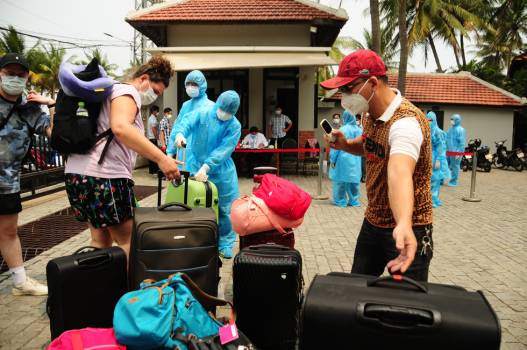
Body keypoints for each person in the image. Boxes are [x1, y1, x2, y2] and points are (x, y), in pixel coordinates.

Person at [321, 49, 433, 281]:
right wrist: (345, 144)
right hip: (373, 222)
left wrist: (403, 222)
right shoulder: (370, 115)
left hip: (408, 229)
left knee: (405, 303)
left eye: (348, 89)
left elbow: (399, 172)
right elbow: (370, 145)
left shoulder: (406, 123)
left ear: (372, 83)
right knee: (356, 289)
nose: (343, 96)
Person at [64, 56, 181, 259]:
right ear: (144, 78)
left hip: (78, 175)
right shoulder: (127, 91)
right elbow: (121, 128)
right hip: (105, 178)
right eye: (156, 91)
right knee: (130, 242)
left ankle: (101, 289)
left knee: (100, 242)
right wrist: (161, 159)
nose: (154, 96)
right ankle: (128, 291)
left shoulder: (108, 92)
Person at [0, 52, 56, 295]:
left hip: (7, 181)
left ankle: (20, 282)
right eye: (9, 74)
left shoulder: (29, 109)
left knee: (8, 231)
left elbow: (55, 135)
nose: (14, 78)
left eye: (20, 75)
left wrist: (51, 104)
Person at [171, 90, 241, 259]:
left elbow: (225, 149)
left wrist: (207, 167)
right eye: (223, 109)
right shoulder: (202, 113)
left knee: (225, 208)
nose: (225, 114)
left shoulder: (234, 125)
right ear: (217, 104)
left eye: (229, 112)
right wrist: (180, 135)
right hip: (195, 164)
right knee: (195, 205)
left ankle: (225, 243)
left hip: (221, 169)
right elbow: (185, 123)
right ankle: (196, 242)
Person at [167, 70, 214, 166]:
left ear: (202, 85)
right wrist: (170, 153)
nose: (190, 87)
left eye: (194, 84)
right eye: (188, 84)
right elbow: (177, 128)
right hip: (183, 154)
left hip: (202, 157)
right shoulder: (186, 106)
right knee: (182, 179)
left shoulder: (211, 107)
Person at [329, 111, 362, 207]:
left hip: (342, 159)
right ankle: (354, 201)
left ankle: (340, 200)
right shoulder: (359, 130)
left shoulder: (342, 130)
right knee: (354, 181)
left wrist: (333, 160)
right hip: (356, 158)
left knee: (340, 181)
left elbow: (336, 147)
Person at [428, 111, 450, 207]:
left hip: (435, 157)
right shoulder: (426, 130)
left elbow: (441, 147)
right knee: (428, 179)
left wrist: (438, 160)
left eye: (431, 120)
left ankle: (434, 199)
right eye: (427, 119)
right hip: (427, 157)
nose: (429, 122)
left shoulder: (438, 132)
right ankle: (428, 198)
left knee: (436, 179)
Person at [446, 113, 465, 187]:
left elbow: (462, 142)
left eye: (453, 119)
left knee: (455, 166)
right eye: (451, 119)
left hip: (456, 152)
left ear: (457, 120)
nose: (451, 121)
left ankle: (454, 181)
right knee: (445, 165)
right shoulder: (450, 129)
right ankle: (442, 179)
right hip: (448, 151)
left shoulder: (461, 130)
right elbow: (447, 139)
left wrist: (459, 152)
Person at [146, 105, 160, 173]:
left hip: (151, 138)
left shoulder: (151, 118)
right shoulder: (152, 119)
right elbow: (153, 129)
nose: (158, 112)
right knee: (154, 155)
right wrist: (157, 137)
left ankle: (152, 170)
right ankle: (154, 170)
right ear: (154, 111)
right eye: (157, 111)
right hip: (153, 139)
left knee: (152, 154)